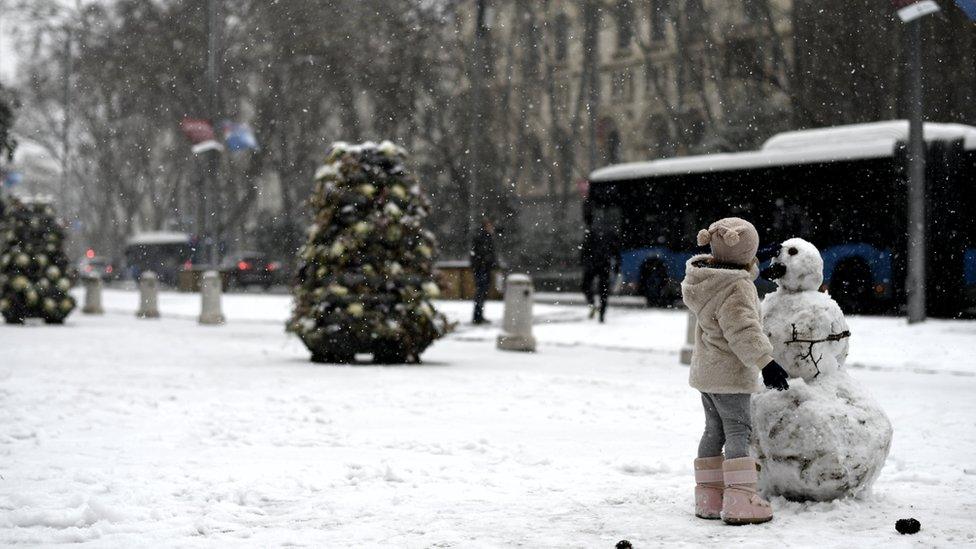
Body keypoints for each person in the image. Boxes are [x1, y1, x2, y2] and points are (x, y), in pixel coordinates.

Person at [680, 217, 790, 526]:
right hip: (729, 374)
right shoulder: (738, 287)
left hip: (706, 373)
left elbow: (733, 272)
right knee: (739, 431)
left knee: (713, 430)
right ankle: (741, 498)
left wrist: (750, 258)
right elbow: (742, 330)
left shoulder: (706, 279)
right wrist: (766, 362)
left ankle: (709, 496)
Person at [580, 229, 620, 323]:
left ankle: (595, 307)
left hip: (595, 264)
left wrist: (583, 261)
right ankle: (600, 311)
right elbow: (616, 251)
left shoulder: (592, 233)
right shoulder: (610, 233)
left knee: (591, 287)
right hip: (602, 264)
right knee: (603, 290)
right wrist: (617, 265)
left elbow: (584, 249)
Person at [470, 218, 497, 324]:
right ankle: (478, 316)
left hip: (483, 268)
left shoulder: (484, 237)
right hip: (482, 268)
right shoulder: (484, 238)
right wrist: (489, 262)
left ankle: (478, 315)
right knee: (481, 293)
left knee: (481, 293)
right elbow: (484, 253)